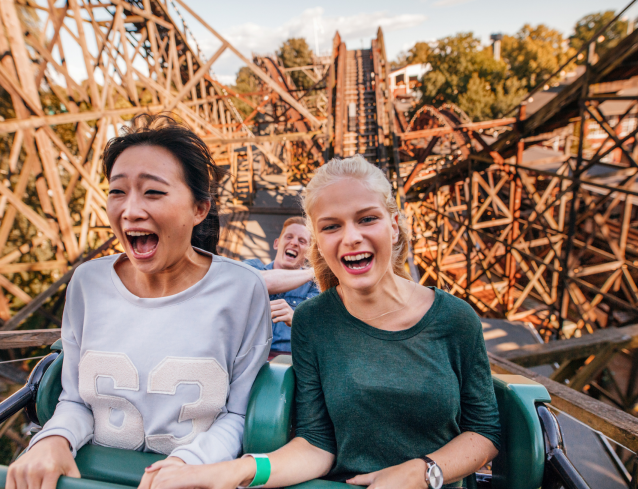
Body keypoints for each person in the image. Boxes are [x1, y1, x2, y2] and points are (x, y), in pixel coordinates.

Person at [139, 155, 501, 489]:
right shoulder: (314, 321)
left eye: (367, 219)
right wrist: (230, 471)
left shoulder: (455, 318)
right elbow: (317, 445)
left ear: (393, 225)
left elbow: (485, 432)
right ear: (320, 242)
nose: (351, 237)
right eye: (331, 226)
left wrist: (421, 471)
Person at [4, 114, 272, 489]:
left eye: (153, 192)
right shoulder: (87, 283)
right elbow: (77, 400)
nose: (130, 210)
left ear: (199, 208)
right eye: (117, 192)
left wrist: (187, 465)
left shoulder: (242, 290)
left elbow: (240, 414)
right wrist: (54, 438)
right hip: (94, 479)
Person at [244, 217, 319, 356]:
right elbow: (261, 281)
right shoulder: (252, 266)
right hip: (246, 359)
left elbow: (318, 333)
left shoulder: (314, 287)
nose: (294, 242)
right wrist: (315, 271)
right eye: (289, 237)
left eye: (302, 241)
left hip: (288, 362)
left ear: (309, 253)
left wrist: (297, 321)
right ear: (276, 243)